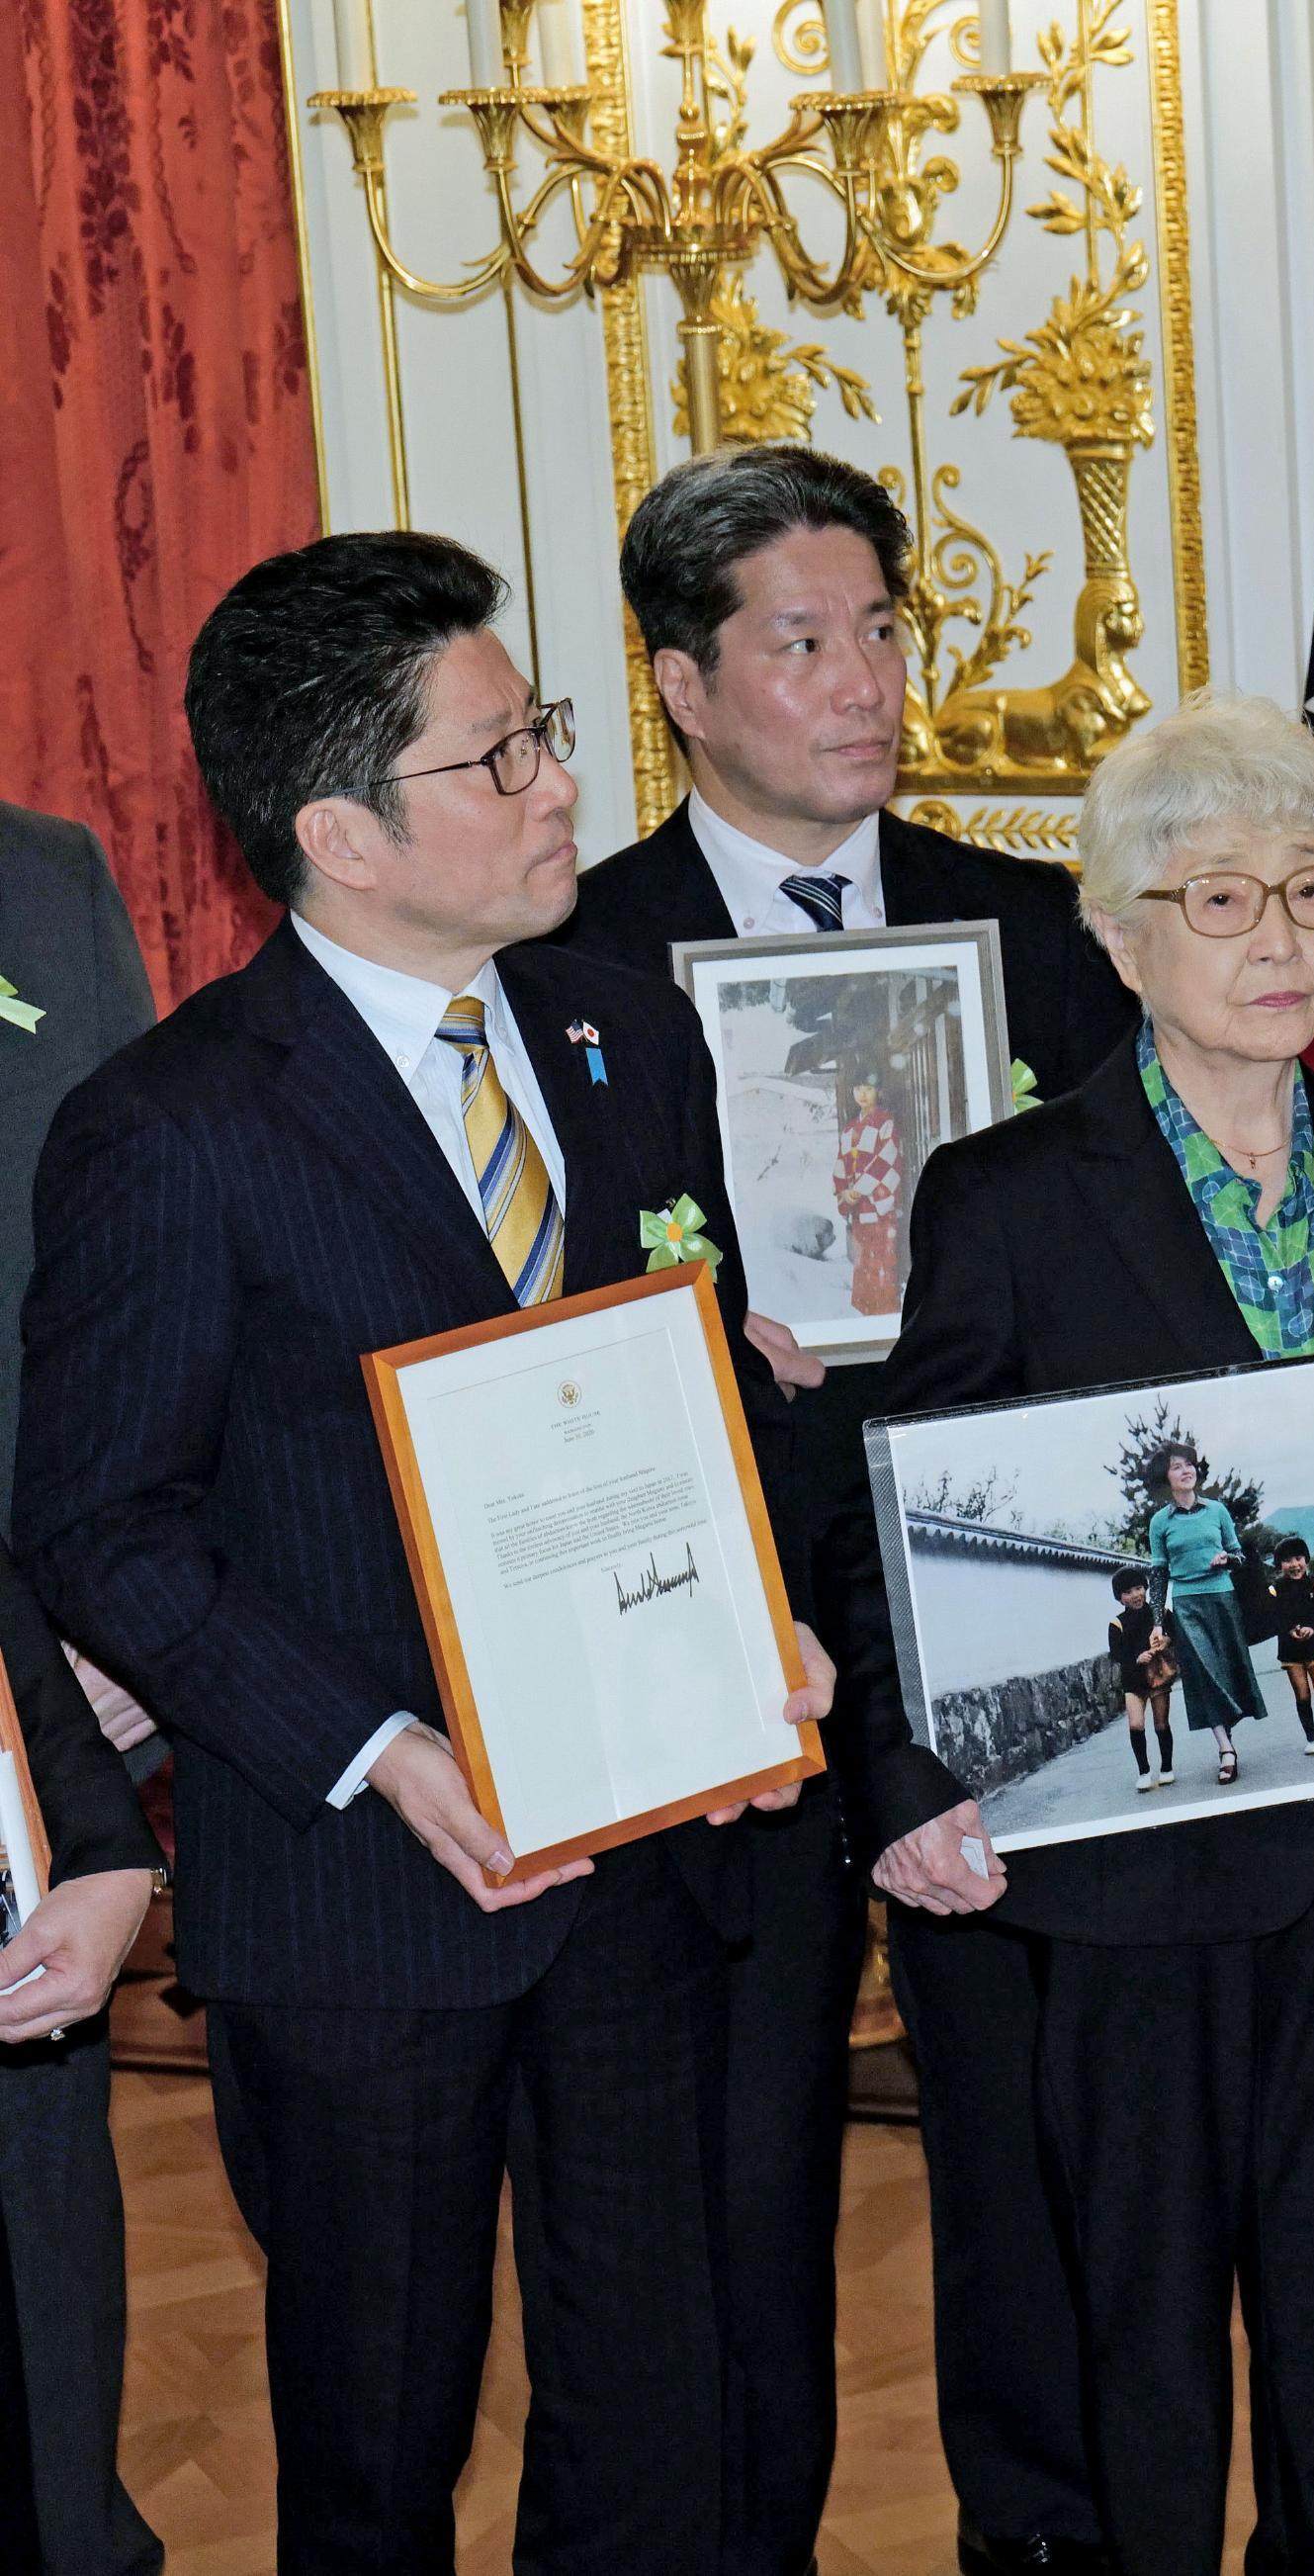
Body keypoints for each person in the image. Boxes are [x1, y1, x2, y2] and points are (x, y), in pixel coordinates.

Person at [15, 529, 828, 2572]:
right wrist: (383, 1748)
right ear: (338, 835)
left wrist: (764, 1621)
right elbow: (100, 1527)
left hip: (649, 1864)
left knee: (658, 2420)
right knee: (376, 2447)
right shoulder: (172, 1126)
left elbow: (684, 1379)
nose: (562, 780)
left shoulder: (625, 1034)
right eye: (502, 758)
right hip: (365, 1905)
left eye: (541, 731)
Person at [837, 692, 1314, 2576]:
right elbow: (911, 1518)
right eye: (1225, 900)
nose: (1280, 943)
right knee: (1141, 2315)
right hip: (1123, 1880)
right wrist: (911, 1778)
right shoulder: (1004, 1195)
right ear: (1119, 934)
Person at [548, 442, 1137, 2576]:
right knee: (735, 2160)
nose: (864, 680)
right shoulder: (576, 956)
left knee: (1036, 2146)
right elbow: (519, 1317)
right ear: (686, 687)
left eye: (881, 628)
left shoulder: (1046, 937)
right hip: (733, 1647)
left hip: (1001, 1626)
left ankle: (1052, 2537)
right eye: (803, 642)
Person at [0, 800, 165, 2576]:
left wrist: (116, 1616)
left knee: (38, 2212)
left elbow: (128, 1270)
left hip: (28, 1686)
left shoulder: (39, 880)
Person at [1139, 1446, 1264, 1788]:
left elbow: (1239, 1555)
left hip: (1222, 1598)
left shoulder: (1217, 1511)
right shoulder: (1160, 1522)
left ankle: (1229, 1729)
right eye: (1176, 1467)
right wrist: (1158, 1622)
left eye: (1189, 1465)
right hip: (1187, 1603)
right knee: (1204, 1674)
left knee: (1228, 1669)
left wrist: (1227, 1559)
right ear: (1166, 1478)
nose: (1185, 1471)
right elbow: (1159, 1572)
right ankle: (1226, 1749)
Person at [838, 1074, 907, 1314]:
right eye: (858, 1088)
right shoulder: (849, 1128)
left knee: (883, 1262)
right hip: (859, 1208)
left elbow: (886, 1161)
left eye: (868, 1088)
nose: (862, 1094)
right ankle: (866, 1312)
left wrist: (858, 1189)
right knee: (863, 1261)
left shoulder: (885, 1122)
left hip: (880, 1204)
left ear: (878, 1090)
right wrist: (844, 1193)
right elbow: (841, 1165)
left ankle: (885, 1312)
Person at [1264, 1536, 1314, 1754]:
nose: (1294, 1564)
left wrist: (1312, 1627)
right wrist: (1289, 1629)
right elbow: (1272, 1618)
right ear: (1279, 1565)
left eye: (1298, 1558)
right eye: (1287, 1560)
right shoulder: (1274, 1590)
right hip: (1290, 1652)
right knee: (1302, 1696)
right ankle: (1311, 1738)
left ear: (1306, 1560)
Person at [1107, 1567, 1175, 1791]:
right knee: (1136, 1725)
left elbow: (1175, 1634)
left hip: (1158, 1676)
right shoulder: (1116, 1623)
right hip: (1132, 1681)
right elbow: (1116, 1654)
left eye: (1138, 1588)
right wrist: (1136, 1658)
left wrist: (1166, 1640)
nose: (1135, 1595)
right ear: (1120, 1598)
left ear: (1146, 1589)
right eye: (1127, 1592)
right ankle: (1144, 1772)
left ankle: (1166, 1768)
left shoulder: (1160, 1614)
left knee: (1161, 1723)